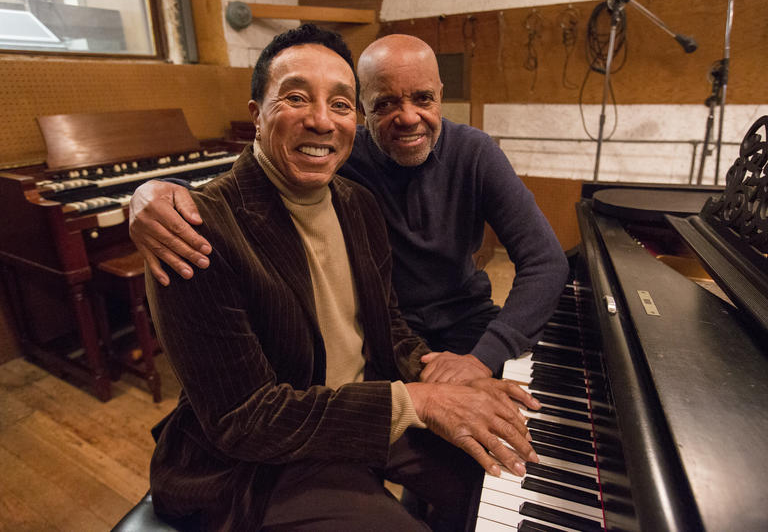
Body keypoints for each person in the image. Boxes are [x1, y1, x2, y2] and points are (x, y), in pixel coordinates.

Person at [143, 24, 540, 531]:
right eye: (295, 97)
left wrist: (440, 372)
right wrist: (417, 400)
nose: (320, 120)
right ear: (256, 116)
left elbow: (385, 323)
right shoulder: (192, 230)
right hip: (258, 463)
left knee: (507, 477)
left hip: (359, 410)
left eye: (340, 103)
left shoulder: (357, 203)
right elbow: (245, 420)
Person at [130, 33, 569, 385]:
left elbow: (545, 261)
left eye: (422, 98)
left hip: (465, 320)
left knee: (500, 425)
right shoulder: (339, 153)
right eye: (385, 104)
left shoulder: (475, 152)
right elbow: (253, 177)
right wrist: (156, 190)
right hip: (382, 327)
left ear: (440, 96)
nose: (408, 117)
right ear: (361, 111)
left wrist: (484, 355)